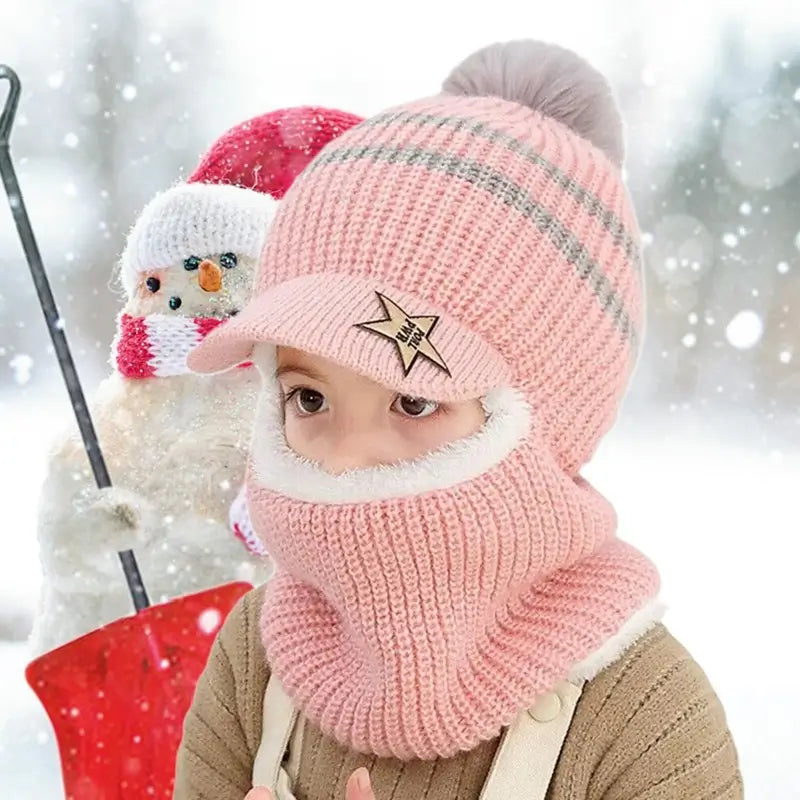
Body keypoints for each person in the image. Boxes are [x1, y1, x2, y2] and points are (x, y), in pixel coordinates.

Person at [175, 39, 744, 799]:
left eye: (412, 401)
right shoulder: (256, 658)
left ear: (543, 423)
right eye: (308, 398)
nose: (341, 461)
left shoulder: (646, 720)